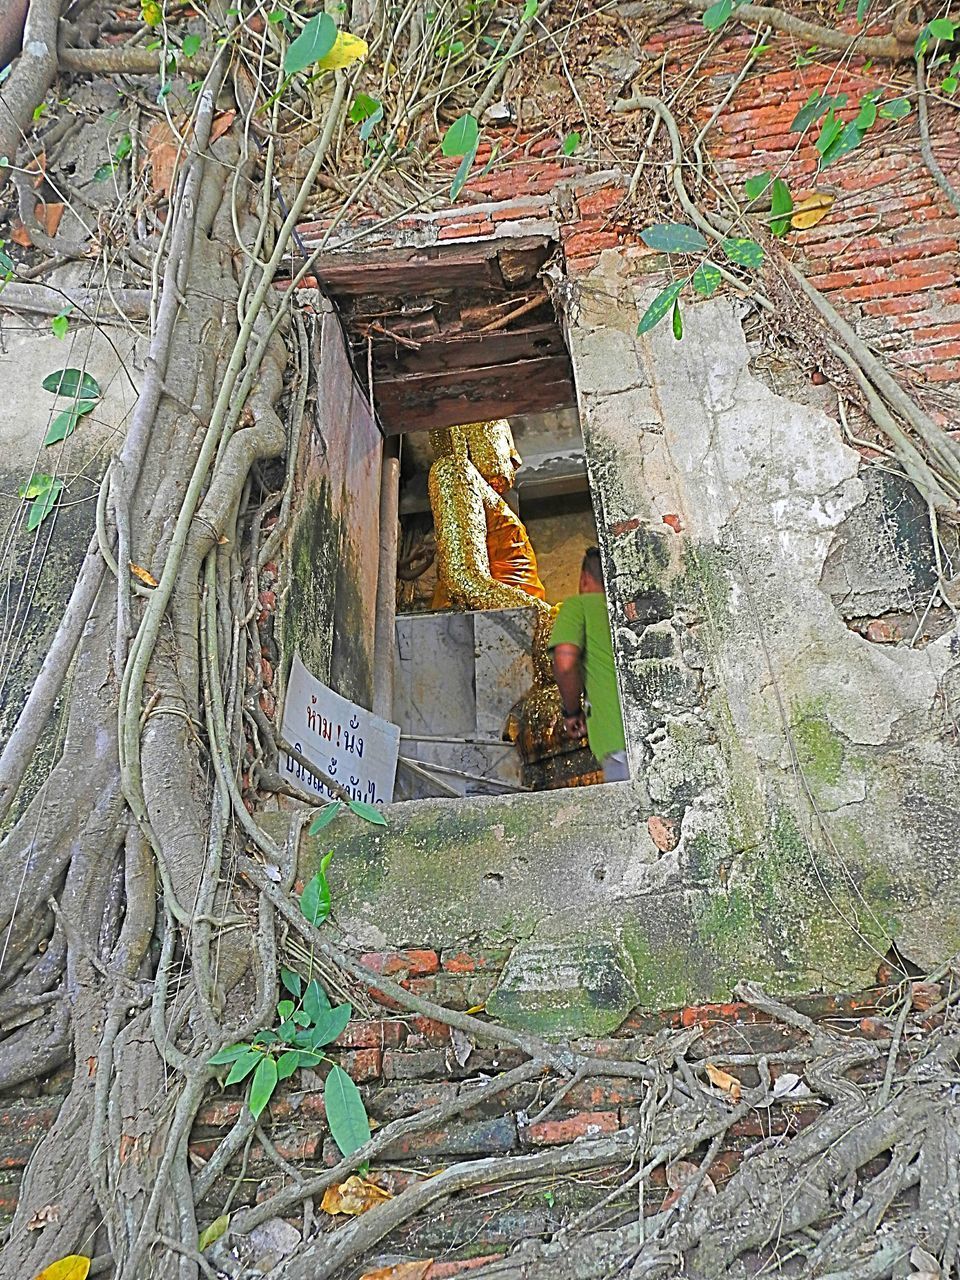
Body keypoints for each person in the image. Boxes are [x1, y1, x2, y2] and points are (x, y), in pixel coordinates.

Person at [549, 547, 629, 783]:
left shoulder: (579, 606)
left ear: (584, 579)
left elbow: (564, 662)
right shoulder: (628, 608)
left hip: (616, 739)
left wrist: (572, 712)